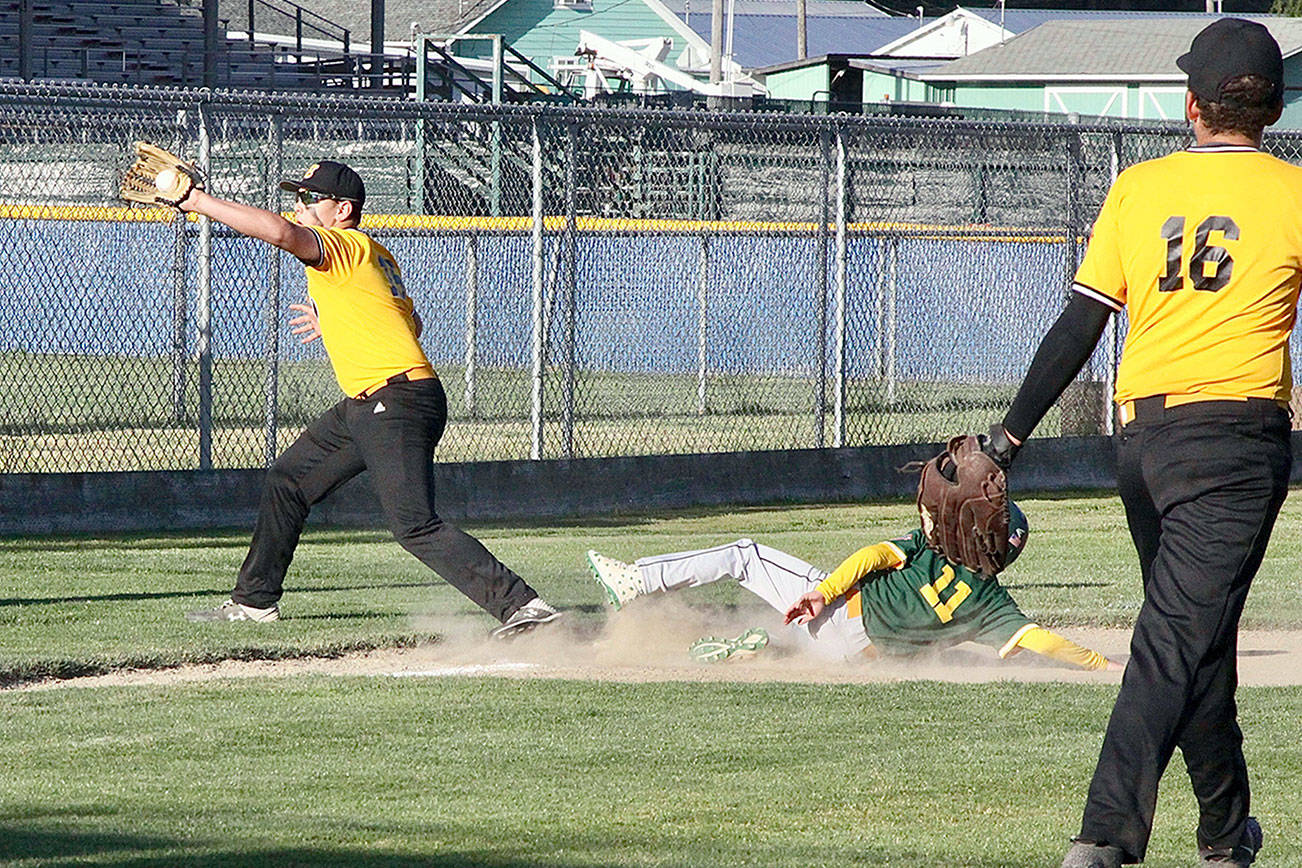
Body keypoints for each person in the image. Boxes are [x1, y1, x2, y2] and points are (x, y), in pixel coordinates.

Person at [978, 19, 1297, 868]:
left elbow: (1082, 322)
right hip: (1233, 445)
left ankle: (1228, 835)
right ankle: (1103, 838)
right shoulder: (1293, 191)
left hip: (1143, 443)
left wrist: (1008, 439)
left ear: (1192, 105)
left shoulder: (1140, 186)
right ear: (1271, 110)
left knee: (1196, 639)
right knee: (1175, 639)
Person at [179, 160, 561, 639]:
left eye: (310, 199)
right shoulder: (376, 257)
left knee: (415, 525)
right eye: (298, 197)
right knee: (289, 480)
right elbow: (412, 325)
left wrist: (195, 202)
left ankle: (523, 606)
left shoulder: (346, 246)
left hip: (395, 401)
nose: (300, 208)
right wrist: (337, 323)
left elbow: (278, 233)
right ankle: (254, 601)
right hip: (370, 403)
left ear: (343, 209)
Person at [586, 503, 1121, 671]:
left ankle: (639, 580)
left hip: (840, 613)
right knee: (946, 655)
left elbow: (870, 557)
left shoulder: (933, 545)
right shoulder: (991, 603)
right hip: (855, 657)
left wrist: (823, 593)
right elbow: (1039, 640)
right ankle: (763, 650)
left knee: (743, 556)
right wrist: (1102, 665)